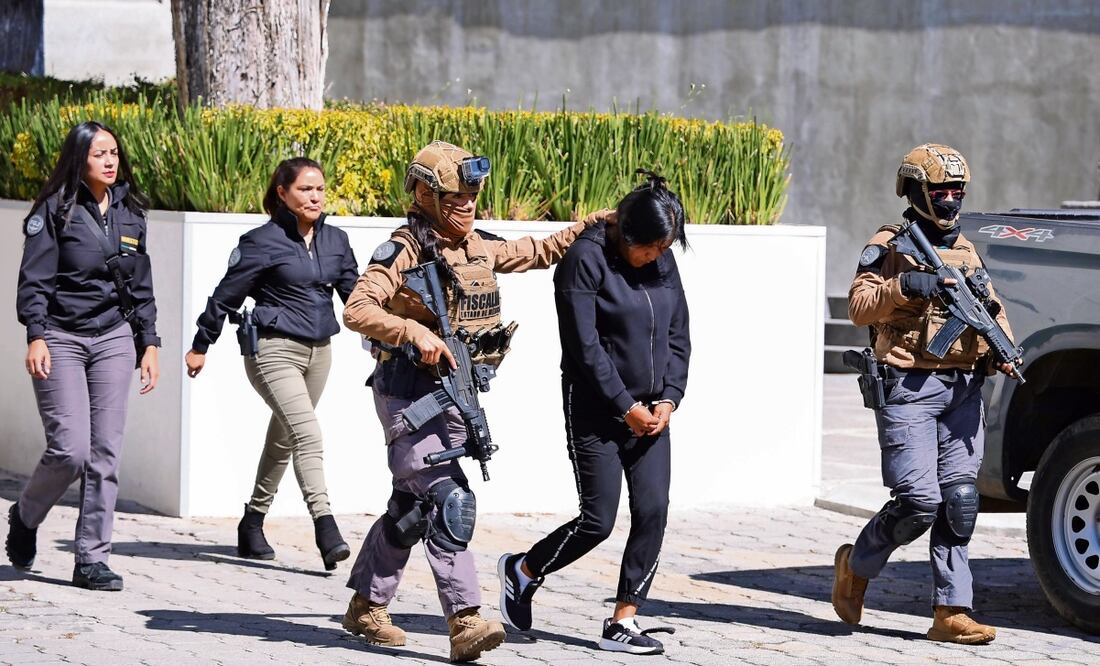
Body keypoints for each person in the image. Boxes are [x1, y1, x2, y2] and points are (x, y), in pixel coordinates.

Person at [340, 141, 613, 663]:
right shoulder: (404, 250)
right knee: (450, 500)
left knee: (411, 507)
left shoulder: (477, 247)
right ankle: (465, 619)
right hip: (407, 392)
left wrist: (592, 225)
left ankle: (365, 604)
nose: (466, 205)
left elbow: (538, 250)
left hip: (451, 394)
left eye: (471, 196)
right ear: (423, 194)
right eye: (453, 197)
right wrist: (411, 333)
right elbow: (358, 308)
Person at [497, 170, 691, 656]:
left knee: (653, 511)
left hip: (651, 410)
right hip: (595, 407)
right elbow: (583, 349)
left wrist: (669, 398)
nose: (659, 258)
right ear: (627, 236)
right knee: (597, 520)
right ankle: (523, 570)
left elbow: (678, 335)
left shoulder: (662, 259)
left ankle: (624, 619)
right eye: (651, 249)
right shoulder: (583, 260)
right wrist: (625, 407)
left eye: (665, 248)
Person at [832, 144, 1016, 644]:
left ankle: (951, 612)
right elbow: (859, 308)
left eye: (957, 190)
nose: (951, 199)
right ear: (915, 190)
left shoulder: (964, 248)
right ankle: (856, 564)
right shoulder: (890, 243)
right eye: (941, 191)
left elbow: (991, 306)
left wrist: (1003, 348)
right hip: (909, 385)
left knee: (959, 500)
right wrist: (904, 285)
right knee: (918, 501)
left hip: (963, 388)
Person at [7, 120, 161, 591]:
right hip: (61, 336)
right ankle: (26, 515)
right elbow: (34, 280)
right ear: (79, 159)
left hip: (114, 337)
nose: (110, 161)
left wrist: (148, 342)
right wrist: (36, 334)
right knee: (70, 450)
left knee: (105, 453)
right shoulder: (53, 211)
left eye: (114, 152)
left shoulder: (132, 212)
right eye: (99, 154)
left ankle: (91, 558)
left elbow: (141, 286)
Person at [184, 157, 358, 571]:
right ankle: (326, 525)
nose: (315, 196)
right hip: (272, 350)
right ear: (283, 193)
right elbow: (225, 295)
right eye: (304, 189)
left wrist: (389, 337)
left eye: (319, 188)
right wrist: (200, 344)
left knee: (285, 438)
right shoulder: (261, 241)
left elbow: (356, 299)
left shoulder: (336, 240)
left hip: (320, 353)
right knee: (308, 434)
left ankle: (252, 521)